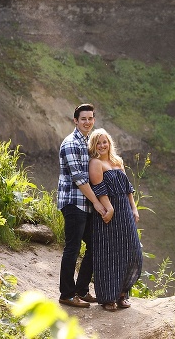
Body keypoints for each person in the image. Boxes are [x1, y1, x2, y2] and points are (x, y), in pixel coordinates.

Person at [87, 128, 143, 312]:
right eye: (98, 143)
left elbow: (128, 188)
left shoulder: (118, 161)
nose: (102, 145)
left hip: (125, 210)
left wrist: (133, 208)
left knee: (131, 250)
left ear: (109, 143)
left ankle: (122, 294)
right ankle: (108, 297)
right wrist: (109, 208)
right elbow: (98, 187)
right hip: (108, 212)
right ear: (94, 146)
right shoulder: (95, 163)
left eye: (105, 142)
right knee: (109, 253)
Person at [58, 103, 107, 308]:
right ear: (75, 121)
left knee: (95, 244)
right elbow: (79, 179)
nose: (87, 122)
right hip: (73, 203)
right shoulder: (71, 143)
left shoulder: (88, 143)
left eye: (90, 118)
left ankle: (81, 290)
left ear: (94, 120)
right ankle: (67, 294)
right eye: (83, 119)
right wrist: (97, 203)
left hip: (85, 205)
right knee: (72, 247)